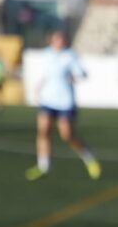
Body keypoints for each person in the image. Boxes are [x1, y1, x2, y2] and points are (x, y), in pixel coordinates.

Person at [26, 31, 101, 181]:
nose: (59, 42)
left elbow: (83, 73)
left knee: (67, 135)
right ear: (52, 41)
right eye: (57, 39)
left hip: (65, 101)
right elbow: (49, 74)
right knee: (43, 131)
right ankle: (44, 165)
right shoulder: (47, 54)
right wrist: (40, 86)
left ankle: (88, 157)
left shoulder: (70, 55)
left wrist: (74, 77)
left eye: (62, 39)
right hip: (48, 100)